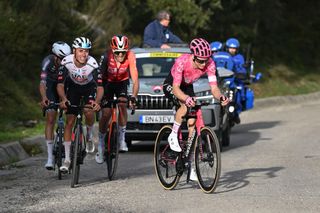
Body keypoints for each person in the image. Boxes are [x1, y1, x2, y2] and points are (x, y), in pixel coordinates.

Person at [163, 38, 229, 180]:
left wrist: (221, 97)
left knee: (192, 122)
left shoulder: (210, 63)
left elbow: (214, 88)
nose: (203, 64)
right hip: (172, 85)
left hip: (187, 86)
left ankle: (192, 164)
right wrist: (186, 99)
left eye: (206, 60)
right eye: (200, 61)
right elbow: (175, 88)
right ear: (193, 55)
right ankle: (173, 134)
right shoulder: (182, 61)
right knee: (185, 107)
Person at [57, 37, 103, 172]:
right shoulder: (66, 62)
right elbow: (60, 84)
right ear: (74, 51)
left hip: (89, 88)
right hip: (73, 89)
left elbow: (100, 87)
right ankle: (67, 159)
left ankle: (88, 137)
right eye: (81, 51)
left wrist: (97, 102)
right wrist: (64, 99)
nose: (84, 54)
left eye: (87, 51)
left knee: (89, 111)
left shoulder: (93, 64)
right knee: (69, 121)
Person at [95, 35, 139, 163]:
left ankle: (121, 138)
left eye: (123, 52)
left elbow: (135, 80)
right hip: (106, 83)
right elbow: (98, 80)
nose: (120, 55)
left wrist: (134, 97)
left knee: (122, 104)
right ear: (112, 50)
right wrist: (98, 98)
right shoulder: (106, 57)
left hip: (122, 83)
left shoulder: (130, 56)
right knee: (107, 112)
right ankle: (101, 143)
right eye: (117, 52)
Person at [39, 41, 71, 170]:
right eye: (62, 59)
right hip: (51, 87)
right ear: (55, 56)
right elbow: (42, 83)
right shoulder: (47, 62)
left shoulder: (69, 63)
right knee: (51, 117)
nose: (64, 61)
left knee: (70, 115)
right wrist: (44, 98)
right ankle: (50, 158)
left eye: (66, 58)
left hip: (65, 86)